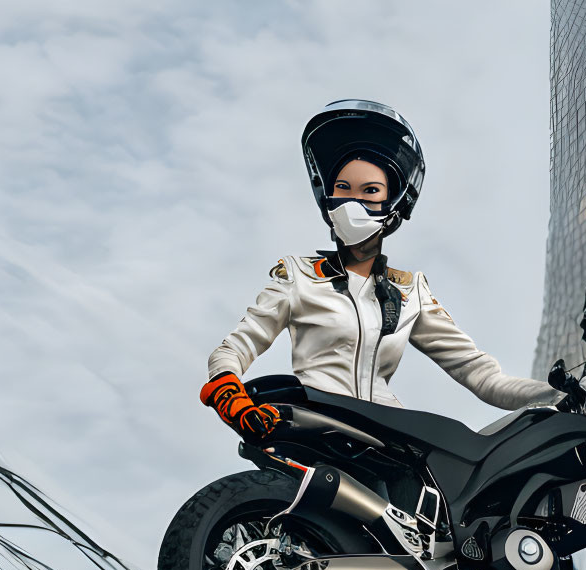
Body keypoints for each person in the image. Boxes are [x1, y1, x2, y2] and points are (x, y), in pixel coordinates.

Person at [200, 99, 564, 440]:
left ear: (394, 202)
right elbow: (235, 347)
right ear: (328, 195)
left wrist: (563, 393)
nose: (352, 201)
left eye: (370, 189)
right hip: (317, 425)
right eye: (343, 187)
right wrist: (227, 387)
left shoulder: (410, 292)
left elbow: (482, 375)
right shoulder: (299, 275)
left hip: (389, 439)